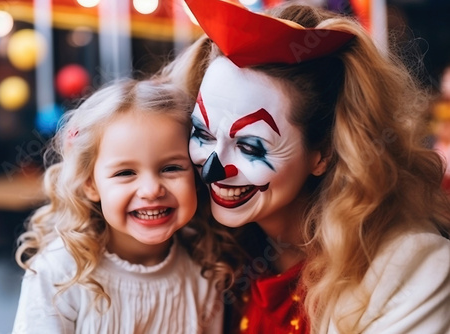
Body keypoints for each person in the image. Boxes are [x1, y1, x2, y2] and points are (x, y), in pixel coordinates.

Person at [160, 0, 450, 333]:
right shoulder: (211, 246)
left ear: (323, 153)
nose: (212, 168)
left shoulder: (410, 270)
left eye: (250, 146)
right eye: (203, 133)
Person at [12, 78, 234, 333]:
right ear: (90, 184)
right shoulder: (59, 271)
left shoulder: (206, 267)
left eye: (171, 168)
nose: (151, 190)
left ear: (195, 175)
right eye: (126, 173)